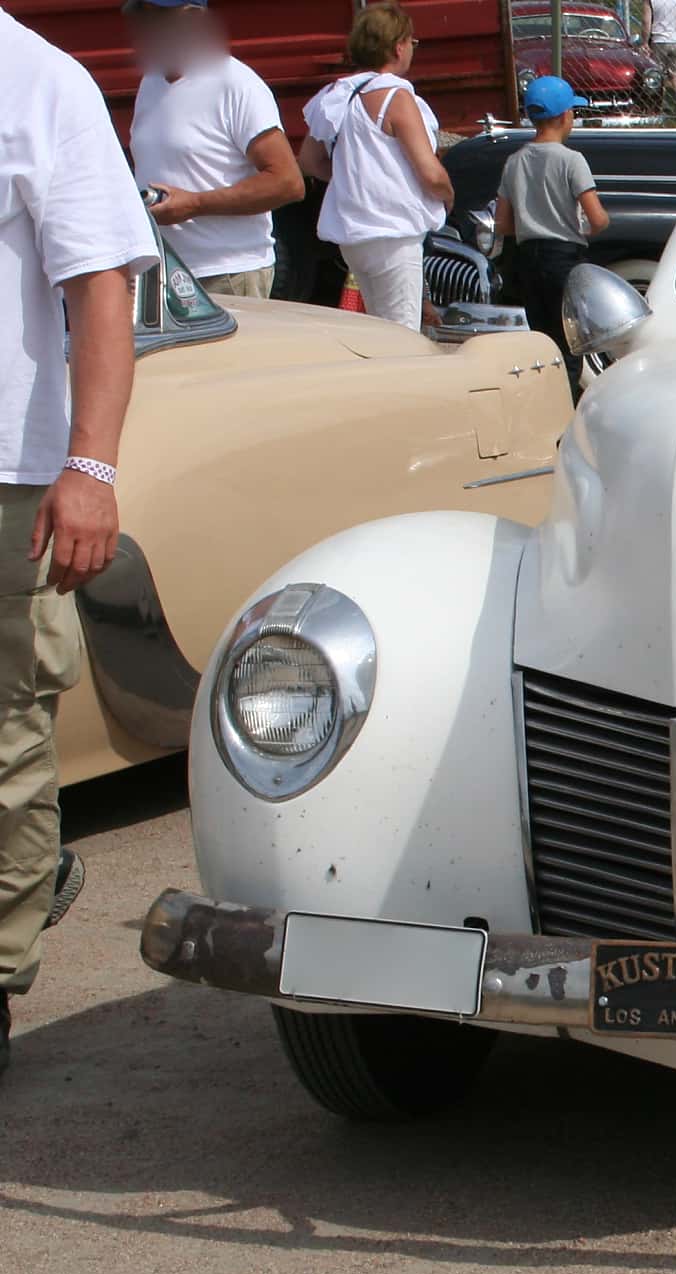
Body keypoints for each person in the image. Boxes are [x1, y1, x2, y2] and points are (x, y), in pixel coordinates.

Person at [0, 6, 158, 1079]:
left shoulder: (37, 78)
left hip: (6, 470)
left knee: (6, 741)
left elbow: (101, 281)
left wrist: (90, 466)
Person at [124, 0, 303, 298]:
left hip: (226, 275)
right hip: (165, 276)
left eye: (158, 17)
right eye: (141, 16)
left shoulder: (236, 84)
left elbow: (287, 182)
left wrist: (194, 204)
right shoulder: (150, 82)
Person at [297, 3, 451, 330]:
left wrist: (353, 177)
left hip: (353, 236)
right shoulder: (395, 97)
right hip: (392, 232)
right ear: (398, 47)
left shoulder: (336, 94)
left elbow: (309, 161)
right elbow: (429, 171)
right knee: (403, 334)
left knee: (379, 329)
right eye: (412, 43)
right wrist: (448, 195)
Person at [496, 77, 609, 395]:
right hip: (563, 257)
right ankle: (566, 415)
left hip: (526, 259)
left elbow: (502, 224)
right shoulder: (572, 160)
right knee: (570, 345)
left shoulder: (514, 162)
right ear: (563, 117)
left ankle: (542, 405)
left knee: (543, 342)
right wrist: (588, 228)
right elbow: (598, 218)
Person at [637, 0, 676, 106]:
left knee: (658, 73)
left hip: (659, 41)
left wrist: (645, 42)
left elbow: (646, 21)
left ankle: (661, 102)